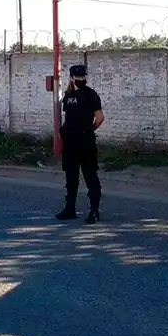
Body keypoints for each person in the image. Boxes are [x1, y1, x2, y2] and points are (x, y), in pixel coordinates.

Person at [55, 64, 105, 224]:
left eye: (83, 77)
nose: (81, 80)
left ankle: (94, 211)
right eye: (78, 77)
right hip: (70, 142)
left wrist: (88, 130)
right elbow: (68, 117)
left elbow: (100, 117)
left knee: (90, 176)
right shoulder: (68, 96)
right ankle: (70, 209)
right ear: (71, 78)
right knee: (71, 177)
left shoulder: (91, 95)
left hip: (85, 142)